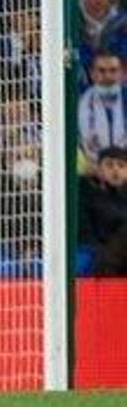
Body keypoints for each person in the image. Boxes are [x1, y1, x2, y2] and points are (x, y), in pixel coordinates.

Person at [83, 146, 127, 275]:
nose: (115, 169)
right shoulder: (90, 196)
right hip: (103, 259)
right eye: (109, 165)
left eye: (121, 165)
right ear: (99, 170)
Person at [81, 51, 127, 164]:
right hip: (91, 167)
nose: (108, 76)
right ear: (92, 74)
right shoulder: (81, 102)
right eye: (101, 71)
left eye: (113, 70)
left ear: (122, 73)